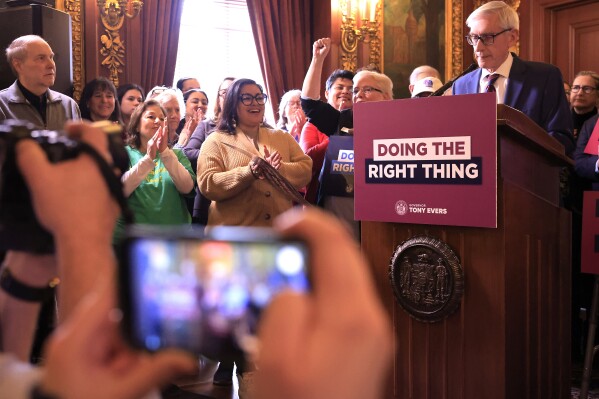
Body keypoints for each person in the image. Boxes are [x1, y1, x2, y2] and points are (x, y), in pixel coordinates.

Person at [0, 120, 392, 399]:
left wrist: (26, 271)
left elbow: (9, 369)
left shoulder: (278, 137)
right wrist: (80, 233)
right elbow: (207, 185)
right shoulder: (216, 142)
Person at [0, 34, 80, 361]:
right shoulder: (1, 104)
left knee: (54, 304)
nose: (51, 65)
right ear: (18, 64)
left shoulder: (68, 105)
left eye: (52, 57)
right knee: (19, 301)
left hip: (59, 218)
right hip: (15, 219)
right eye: (41, 58)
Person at [452, 0, 574, 155]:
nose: (478, 47)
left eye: (487, 37)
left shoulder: (544, 77)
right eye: (474, 38)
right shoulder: (461, 85)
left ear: (512, 37)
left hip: (527, 175)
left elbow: (562, 139)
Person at [301, 38, 393, 239]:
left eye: (366, 89)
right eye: (356, 90)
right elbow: (309, 104)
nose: (357, 95)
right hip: (339, 214)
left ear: (386, 96)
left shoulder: (398, 122)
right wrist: (317, 60)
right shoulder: (345, 118)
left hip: (382, 215)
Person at [197, 78, 312, 227]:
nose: (255, 103)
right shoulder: (216, 140)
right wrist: (249, 173)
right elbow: (208, 184)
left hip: (277, 235)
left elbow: (306, 170)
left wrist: (279, 169)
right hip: (233, 239)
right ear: (232, 104)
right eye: (247, 98)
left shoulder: (282, 137)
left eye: (259, 97)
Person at [114, 99, 196, 241]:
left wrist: (164, 153)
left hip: (175, 238)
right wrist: (148, 159)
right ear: (137, 126)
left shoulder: (175, 154)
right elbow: (119, 191)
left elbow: (187, 187)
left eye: (162, 119)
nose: (158, 121)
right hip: (134, 240)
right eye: (151, 117)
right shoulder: (123, 153)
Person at [183, 77, 235, 226]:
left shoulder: (253, 126)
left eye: (233, 91)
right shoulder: (207, 125)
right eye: (224, 92)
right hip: (207, 200)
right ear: (218, 99)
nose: (229, 96)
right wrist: (219, 157)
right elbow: (188, 152)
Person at [299, 68, 354, 204]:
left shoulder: (360, 122)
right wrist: (339, 133)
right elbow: (309, 161)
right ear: (327, 93)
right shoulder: (312, 125)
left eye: (351, 89)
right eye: (340, 87)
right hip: (323, 195)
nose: (346, 91)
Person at [570, 71, 599, 139]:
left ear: (597, 95)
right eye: (576, 87)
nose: (579, 93)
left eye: (587, 89)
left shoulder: (597, 122)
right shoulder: (559, 120)